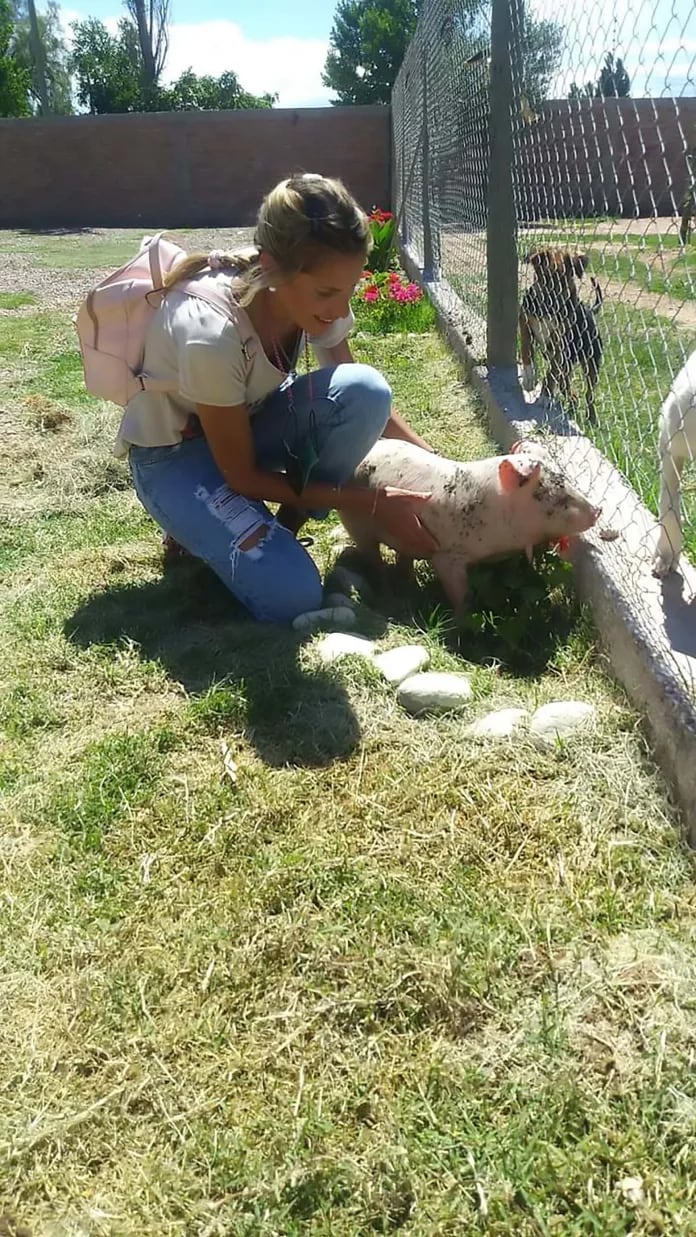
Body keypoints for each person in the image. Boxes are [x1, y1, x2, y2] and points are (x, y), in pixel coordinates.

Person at [115, 172, 437, 624]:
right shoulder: (211, 332)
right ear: (271, 267)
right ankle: (196, 526)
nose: (341, 309)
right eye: (327, 292)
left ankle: (277, 531)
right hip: (174, 458)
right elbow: (242, 475)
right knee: (293, 597)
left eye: (350, 289)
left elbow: (360, 395)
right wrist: (374, 502)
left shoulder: (310, 295)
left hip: (245, 425)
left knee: (365, 390)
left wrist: (445, 472)